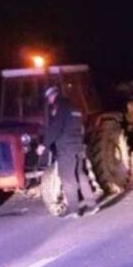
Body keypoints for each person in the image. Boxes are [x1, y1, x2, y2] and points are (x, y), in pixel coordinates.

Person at [36, 86, 98, 217]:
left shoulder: (60, 109)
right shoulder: (75, 108)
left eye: (49, 99)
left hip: (66, 149)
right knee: (81, 175)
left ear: (52, 97)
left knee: (68, 179)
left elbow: (55, 128)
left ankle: (74, 210)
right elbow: (80, 127)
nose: (50, 101)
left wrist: (44, 145)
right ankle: (92, 205)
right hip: (78, 147)